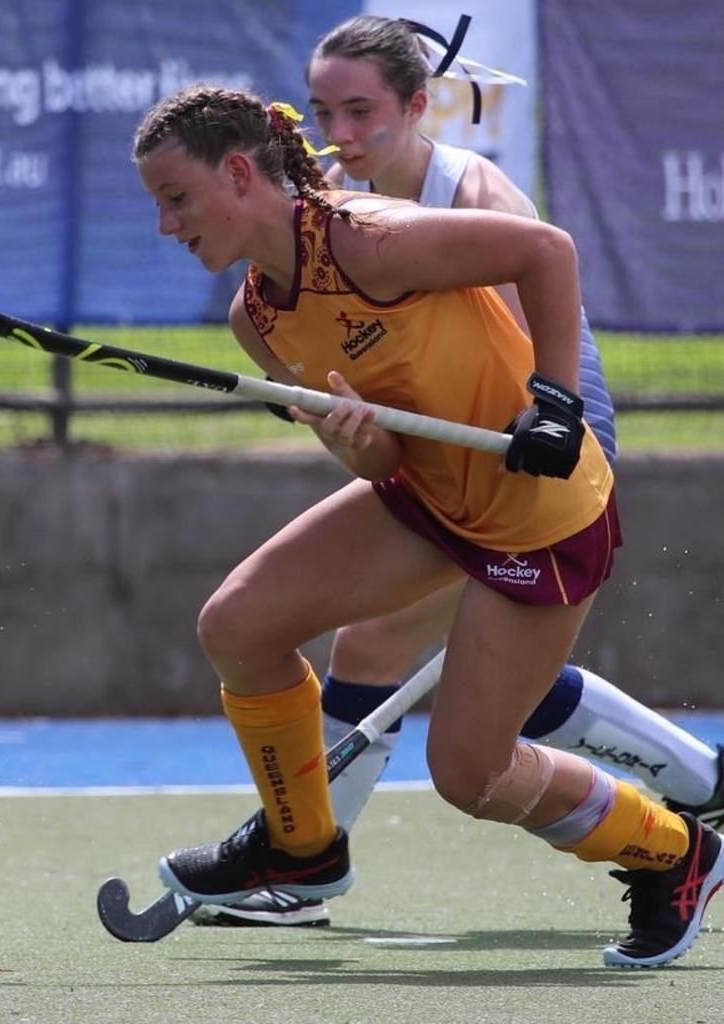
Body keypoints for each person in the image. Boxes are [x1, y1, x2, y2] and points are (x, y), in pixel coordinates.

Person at [133, 80, 724, 969]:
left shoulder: (367, 240)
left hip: (541, 517)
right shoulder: (256, 319)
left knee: (472, 777)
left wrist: (556, 401)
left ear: (243, 173)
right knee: (238, 625)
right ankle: (303, 849)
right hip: (427, 500)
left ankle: (678, 853)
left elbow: (546, 251)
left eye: (176, 198)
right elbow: (382, 465)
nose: (166, 226)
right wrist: (358, 445)